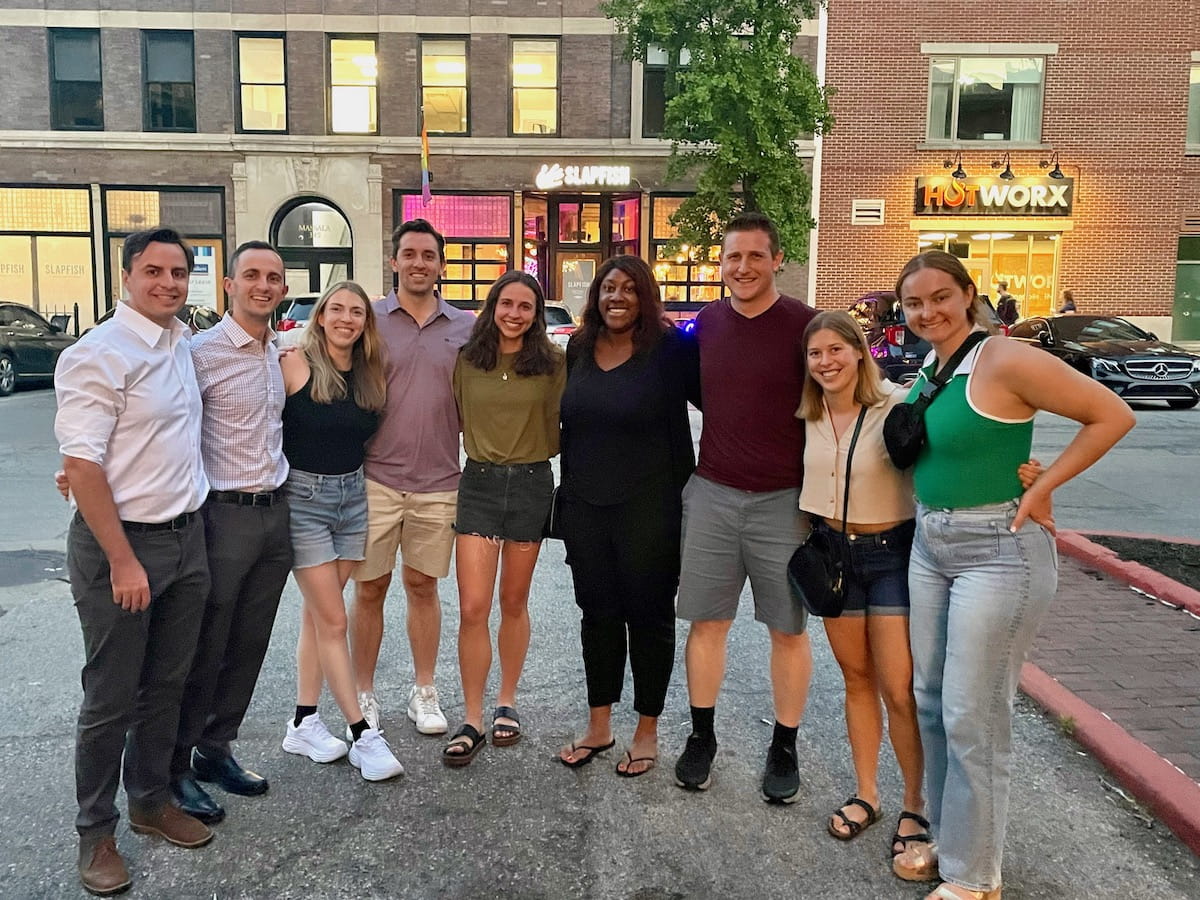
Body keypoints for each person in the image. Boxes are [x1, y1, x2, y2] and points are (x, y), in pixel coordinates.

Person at [891, 250, 1134, 900]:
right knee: (933, 703)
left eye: (941, 297)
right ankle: (951, 842)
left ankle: (975, 878)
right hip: (932, 543)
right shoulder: (933, 365)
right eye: (915, 303)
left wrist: (1044, 485)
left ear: (969, 294)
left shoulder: (1003, 357)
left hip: (998, 549)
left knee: (975, 713)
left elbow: (1111, 414)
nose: (928, 312)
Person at [55, 227, 213, 895]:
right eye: (154, 271)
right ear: (127, 275)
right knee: (111, 696)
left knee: (166, 686)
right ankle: (96, 833)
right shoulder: (100, 354)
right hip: (122, 546)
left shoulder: (180, 342)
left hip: (187, 539)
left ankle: (150, 801)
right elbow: (83, 464)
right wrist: (122, 561)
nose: (169, 283)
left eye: (178, 272)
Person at [673, 212, 817, 802]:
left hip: (785, 502)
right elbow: (682, 386)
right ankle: (702, 735)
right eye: (733, 257)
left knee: (787, 627)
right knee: (708, 622)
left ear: (777, 259)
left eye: (756, 256)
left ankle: (785, 744)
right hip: (713, 493)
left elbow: (857, 394)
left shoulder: (807, 327)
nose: (743, 267)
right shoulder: (705, 324)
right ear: (722, 262)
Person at [556, 257, 700, 777]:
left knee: (649, 618)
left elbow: (722, 403)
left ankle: (647, 730)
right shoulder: (578, 348)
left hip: (651, 507)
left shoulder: (671, 350)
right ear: (596, 295)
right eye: (608, 288)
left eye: (629, 289)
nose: (617, 297)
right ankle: (600, 725)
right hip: (586, 507)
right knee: (597, 616)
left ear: (645, 296)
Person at [169, 241, 294, 826]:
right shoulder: (200, 354)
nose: (262, 285)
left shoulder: (280, 351)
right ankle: (175, 766)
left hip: (276, 513)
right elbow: (159, 422)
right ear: (228, 285)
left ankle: (216, 749)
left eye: (273, 277)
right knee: (206, 644)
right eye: (252, 276)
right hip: (223, 516)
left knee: (250, 642)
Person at [797, 310, 929, 853]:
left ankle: (915, 806)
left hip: (890, 556)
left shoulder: (895, 408)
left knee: (898, 687)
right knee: (856, 680)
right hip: (834, 557)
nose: (826, 362)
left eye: (835, 350)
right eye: (815, 354)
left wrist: (1025, 473)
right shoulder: (804, 415)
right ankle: (867, 793)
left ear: (858, 352)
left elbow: (948, 457)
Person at [350, 220, 475, 737]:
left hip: (440, 481)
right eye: (410, 254)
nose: (420, 263)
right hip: (375, 477)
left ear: (442, 265)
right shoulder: (368, 320)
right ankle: (363, 694)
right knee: (370, 588)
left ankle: (424, 690)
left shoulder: (466, 327)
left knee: (423, 586)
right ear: (395, 261)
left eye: (429, 255)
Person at [278, 281, 405, 781]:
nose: (347, 318)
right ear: (321, 315)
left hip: (353, 498)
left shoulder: (370, 375)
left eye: (357, 312)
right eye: (337, 309)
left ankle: (304, 722)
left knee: (317, 615)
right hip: (303, 502)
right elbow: (241, 418)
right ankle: (360, 733)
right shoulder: (291, 363)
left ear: (365, 323)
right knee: (334, 621)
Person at [442, 272, 566, 766]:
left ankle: (505, 703)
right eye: (507, 304)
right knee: (473, 606)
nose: (515, 313)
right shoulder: (467, 361)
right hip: (480, 484)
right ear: (493, 306)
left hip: (533, 483)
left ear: (536, 315)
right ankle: (472, 717)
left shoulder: (553, 364)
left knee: (513, 602)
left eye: (526, 307)